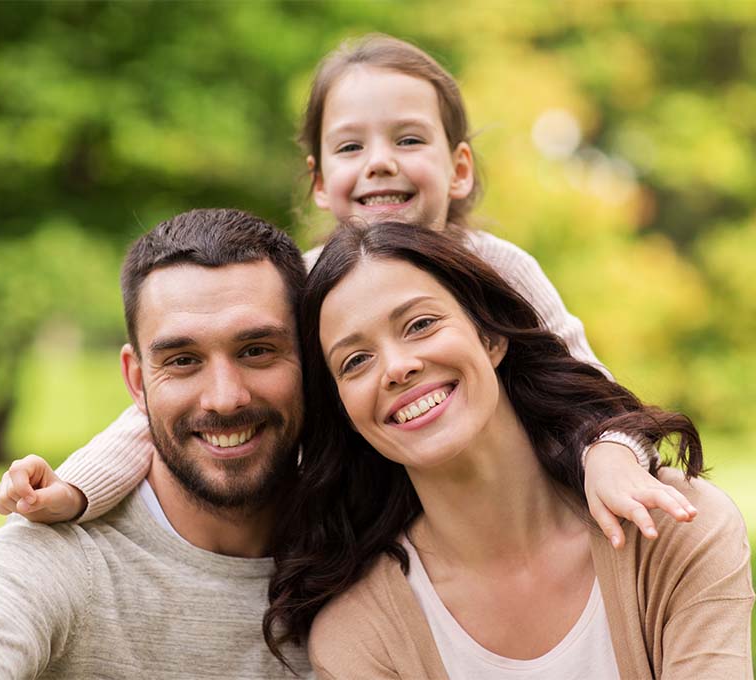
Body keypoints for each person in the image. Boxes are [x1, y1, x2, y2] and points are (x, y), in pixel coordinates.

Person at [0, 34, 696, 547]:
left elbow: (590, 390)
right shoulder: (303, 285)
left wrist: (611, 456)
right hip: (373, 532)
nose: (380, 162)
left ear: (458, 168)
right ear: (321, 181)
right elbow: (163, 407)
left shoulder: (497, 268)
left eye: (408, 140)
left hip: (514, 521)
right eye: (352, 147)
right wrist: (76, 489)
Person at [264, 220, 754, 679]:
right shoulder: (360, 635)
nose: (396, 367)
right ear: (345, 412)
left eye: (420, 324)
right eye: (355, 361)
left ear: (491, 336)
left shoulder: (672, 529)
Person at [0, 209, 310, 678]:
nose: (225, 399)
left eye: (257, 351)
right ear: (137, 381)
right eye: (183, 360)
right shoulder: (55, 564)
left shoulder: (370, 547)